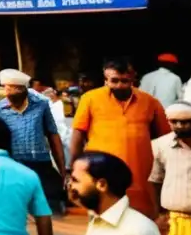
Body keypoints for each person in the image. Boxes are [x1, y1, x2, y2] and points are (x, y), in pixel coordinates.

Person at [71, 58, 171, 220]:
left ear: (133, 80)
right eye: (114, 81)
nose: (119, 85)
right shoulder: (90, 99)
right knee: (103, 222)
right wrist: (74, 168)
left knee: (142, 224)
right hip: (101, 175)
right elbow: (78, 134)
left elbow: (165, 138)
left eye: (124, 81)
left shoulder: (150, 102)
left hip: (141, 176)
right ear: (105, 81)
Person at [150, 100, 191, 235]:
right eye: (174, 122)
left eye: (185, 122)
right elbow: (155, 181)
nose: (179, 126)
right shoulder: (160, 146)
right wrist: (159, 215)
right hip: (176, 222)